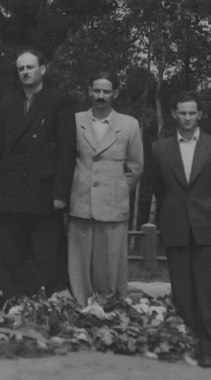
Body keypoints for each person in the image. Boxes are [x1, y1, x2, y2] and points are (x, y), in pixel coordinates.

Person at [150, 91, 211, 368]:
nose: (186, 118)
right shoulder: (159, 148)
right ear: (173, 114)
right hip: (175, 225)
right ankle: (187, 343)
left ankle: (210, 349)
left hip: (208, 226)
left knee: (209, 292)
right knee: (182, 291)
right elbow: (159, 189)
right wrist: (168, 216)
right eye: (181, 113)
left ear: (200, 115)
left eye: (191, 113)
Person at [0, 48, 77, 298]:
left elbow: (67, 150)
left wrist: (61, 192)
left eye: (30, 67)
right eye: (21, 69)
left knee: (45, 252)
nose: (26, 72)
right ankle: (14, 300)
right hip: (12, 193)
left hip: (44, 192)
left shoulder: (59, 101)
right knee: (10, 252)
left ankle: (44, 301)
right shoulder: (9, 102)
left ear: (43, 69)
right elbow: (2, 149)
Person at [68, 72, 143, 305]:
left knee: (109, 262)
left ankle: (108, 305)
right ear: (89, 91)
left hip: (113, 205)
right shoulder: (74, 120)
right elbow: (65, 161)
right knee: (79, 261)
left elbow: (135, 167)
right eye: (96, 91)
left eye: (106, 91)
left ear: (115, 93)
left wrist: (117, 191)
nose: (101, 96)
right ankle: (80, 305)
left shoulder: (129, 125)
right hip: (80, 202)